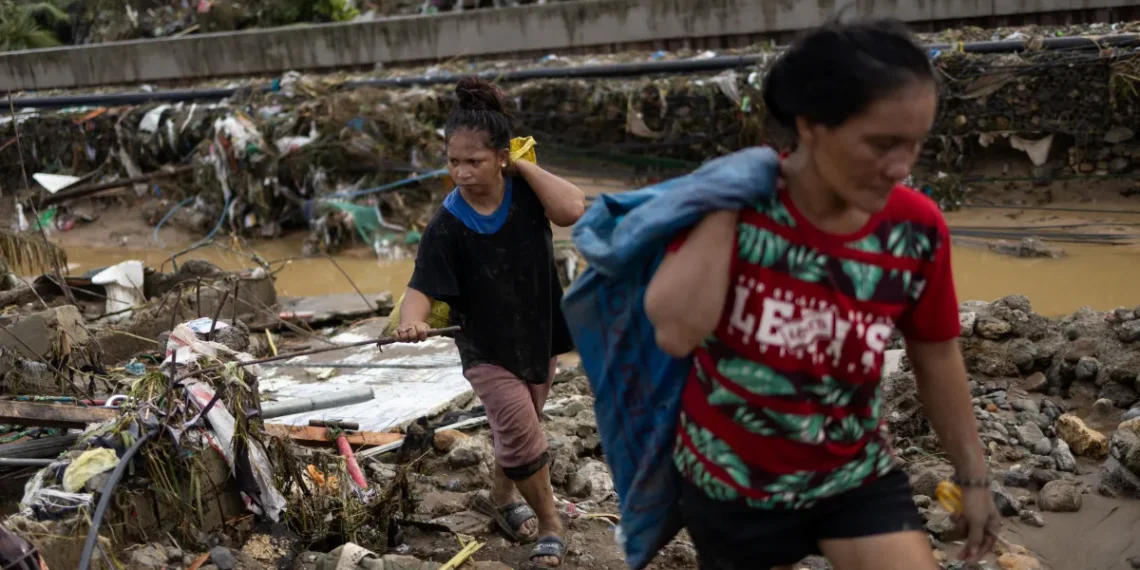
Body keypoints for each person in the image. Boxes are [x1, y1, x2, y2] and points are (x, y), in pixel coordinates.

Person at [643, 19, 1000, 570]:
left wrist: (973, 476)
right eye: (881, 144)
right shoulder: (737, 211)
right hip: (731, 483)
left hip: (852, 475)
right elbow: (674, 332)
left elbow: (936, 354)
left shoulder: (915, 229)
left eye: (915, 144)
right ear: (811, 125)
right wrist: (725, 201)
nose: (902, 167)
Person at [395, 77, 586, 569]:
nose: (461, 172)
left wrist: (524, 166)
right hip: (484, 346)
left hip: (539, 332)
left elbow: (572, 209)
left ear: (502, 157)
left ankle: (501, 499)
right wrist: (412, 323)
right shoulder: (447, 225)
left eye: (474, 161)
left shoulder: (527, 192)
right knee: (521, 431)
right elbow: (420, 289)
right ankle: (551, 525)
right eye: (453, 161)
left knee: (523, 424)